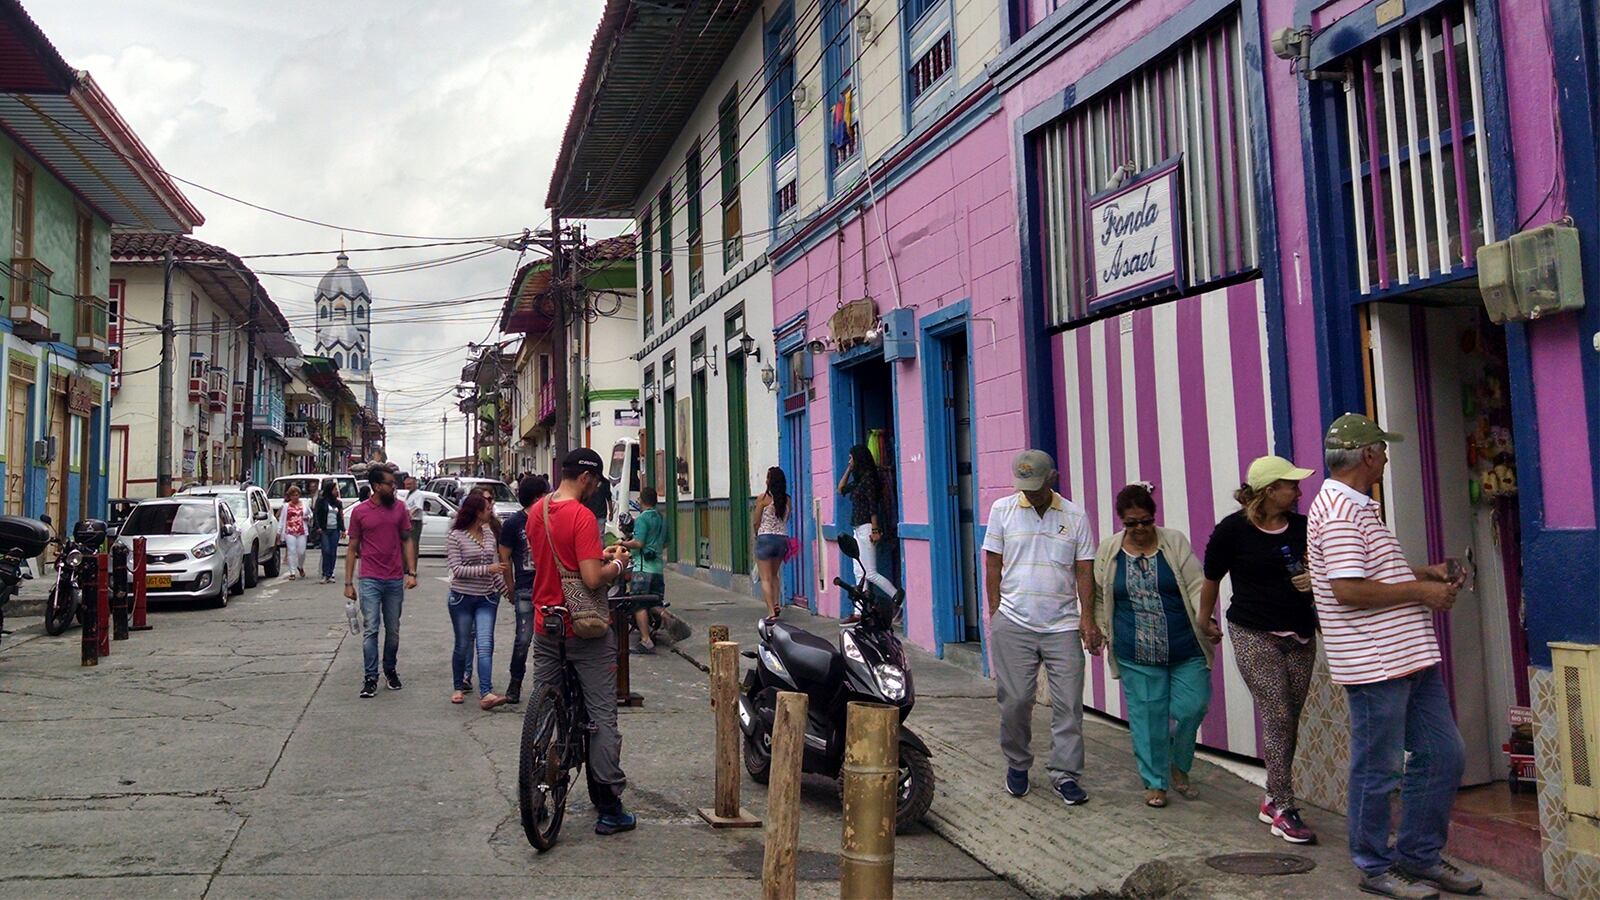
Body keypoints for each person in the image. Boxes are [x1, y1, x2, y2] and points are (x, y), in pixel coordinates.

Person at [1308, 413, 1478, 899]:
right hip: (1376, 662)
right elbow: (1347, 590)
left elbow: (1367, 576)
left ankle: (1419, 855)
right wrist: (1422, 592)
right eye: (1381, 450)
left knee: (1443, 753)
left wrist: (1422, 573)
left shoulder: (1357, 506)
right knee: (1378, 768)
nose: (1385, 458)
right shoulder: (1340, 512)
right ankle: (1374, 865)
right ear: (1366, 455)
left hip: (1407, 657)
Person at [1198, 455, 1319, 843]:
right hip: (1253, 631)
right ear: (1269, 491)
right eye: (1291, 485)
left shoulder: (1304, 528)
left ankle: (1272, 795)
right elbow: (1212, 577)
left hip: (1300, 633)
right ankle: (1284, 806)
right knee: (1278, 713)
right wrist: (1204, 618)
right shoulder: (1233, 531)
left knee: (1290, 719)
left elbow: (1327, 569)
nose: (1298, 492)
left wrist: (1314, 580)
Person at [527, 448, 635, 835]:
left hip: (546, 625)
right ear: (587, 478)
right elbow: (590, 578)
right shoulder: (582, 516)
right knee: (602, 716)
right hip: (583, 628)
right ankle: (608, 806)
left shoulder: (537, 511)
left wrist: (595, 555)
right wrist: (618, 565)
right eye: (596, 482)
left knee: (545, 709)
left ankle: (536, 792)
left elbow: (558, 561)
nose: (595, 489)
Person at [1087, 483, 1212, 809]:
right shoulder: (1109, 550)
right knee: (1147, 717)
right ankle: (1155, 781)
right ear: (1122, 522)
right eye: (1132, 523)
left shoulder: (1174, 542)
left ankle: (1179, 764)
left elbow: (1196, 585)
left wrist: (1206, 619)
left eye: (1145, 521)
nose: (1140, 528)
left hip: (1184, 647)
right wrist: (1099, 629)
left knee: (1192, 707)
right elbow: (1100, 596)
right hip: (1135, 652)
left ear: (1154, 517)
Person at [982, 449, 1094, 806]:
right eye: (1023, 486)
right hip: (1014, 621)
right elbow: (993, 564)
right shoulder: (1002, 510)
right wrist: (996, 612)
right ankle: (1017, 763)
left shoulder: (1075, 515)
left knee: (1069, 704)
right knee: (1015, 701)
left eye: (1035, 486)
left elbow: (1084, 570)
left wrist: (1087, 618)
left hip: (1062, 624)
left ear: (1053, 478)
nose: (1028, 493)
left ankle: (1065, 773)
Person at [345, 467, 417, 699]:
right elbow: (352, 547)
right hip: (370, 578)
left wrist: (412, 572)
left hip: (394, 578)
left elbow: (407, 540)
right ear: (376, 486)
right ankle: (370, 677)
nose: (394, 487)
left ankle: (390, 669)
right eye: (389, 483)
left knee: (393, 629)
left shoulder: (399, 509)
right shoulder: (360, 512)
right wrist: (348, 583)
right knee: (371, 628)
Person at [448, 493, 509, 710]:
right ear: (476, 512)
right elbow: (457, 570)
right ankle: (458, 686)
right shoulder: (456, 536)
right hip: (462, 598)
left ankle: (486, 692)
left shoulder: (489, 534)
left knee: (485, 644)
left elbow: (495, 570)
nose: (490, 510)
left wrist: (507, 592)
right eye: (486, 508)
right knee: (462, 644)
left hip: (486, 598)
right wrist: (488, 569)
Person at [499, 474, 549, 704]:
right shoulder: (514, 523)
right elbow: (505, 556)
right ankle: (515, 682)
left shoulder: (552, 519)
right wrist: (510, 586)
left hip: (549, 587)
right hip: (526, 587)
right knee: (523, 638)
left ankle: (548, 686)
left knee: (551, 640)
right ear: (538, 497)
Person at [621, 485, 673, 653]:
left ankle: (646, 640)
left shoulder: (642, 519)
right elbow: (666, 542)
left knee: (639, 603)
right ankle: (666, 616)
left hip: (643, 567)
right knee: (654, 602)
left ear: (641, 501)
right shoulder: (662, 518)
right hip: (657, 567)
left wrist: (622, 543)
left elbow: (638, 543)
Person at [838, 444, 894, 599]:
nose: (849, 461)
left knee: (870, 573)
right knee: (859, 571)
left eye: (851, 458)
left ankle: (898, 599)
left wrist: (875, 530)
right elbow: (840, 489)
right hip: (858, 527)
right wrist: (849, 470)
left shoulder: (869, 479)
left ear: (858, 458)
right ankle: (860, 609)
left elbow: (872, 505)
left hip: (867, 527)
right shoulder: (859, 479)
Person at [752, 467, 790, 618]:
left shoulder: (763, 499)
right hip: (781, 540)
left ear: (770, 481)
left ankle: (771, 612)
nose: (765, 480)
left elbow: (756, 521)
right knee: (775, 575)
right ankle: (776, 603)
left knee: (765, 578)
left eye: (767, 477)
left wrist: (757, 534)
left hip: (765, 539)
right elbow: (786, 519)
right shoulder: (787, 500)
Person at [312, 480, 345, 585]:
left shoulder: (338, 503)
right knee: (326, 551)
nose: (336, 491)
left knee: (333, 552)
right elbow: (316, 514)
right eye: (335, 489)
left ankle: (330, 574)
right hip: (325, 530)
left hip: (335, 530)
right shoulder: (321, 501)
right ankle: (325, 574)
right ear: (330, 490)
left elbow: (340, 517)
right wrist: (318, 527)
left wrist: (343, 529)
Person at [278, 485, 309, 580]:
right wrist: (279, 532)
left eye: (297, 495)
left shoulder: (304, 505)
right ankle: (292, 572)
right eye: (293, 495)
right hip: (290, 531)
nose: (295, 497)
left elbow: (310, 514)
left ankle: (300, 566)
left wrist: (307, 518)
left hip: (301, 531)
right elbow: (282, 519)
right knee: (291, 551)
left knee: (301, 552)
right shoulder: (286, 506)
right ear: (290, 496)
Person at [583, 472, 613, 542]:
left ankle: (599, 548)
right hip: (590, 513)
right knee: (591, 535)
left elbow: (608, 498)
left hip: (599, 513)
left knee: (599, 535)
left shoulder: (605, 483)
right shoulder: (588, 481)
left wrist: (611, 512)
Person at [403, 474, 426, 559]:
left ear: (415, 484)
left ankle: (412, 565)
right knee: (407, 544)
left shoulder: (418, 494)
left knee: (413, 544)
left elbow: (417, 508)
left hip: (414, 522)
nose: (407, 486)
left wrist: (409, 516)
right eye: (406, 485)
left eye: (409, 484)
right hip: (408, 521)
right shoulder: (408, 494)